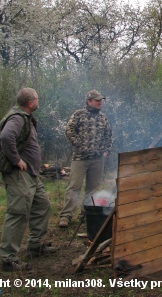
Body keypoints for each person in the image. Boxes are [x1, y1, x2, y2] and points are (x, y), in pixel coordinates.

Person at [0, 88, 55, 272]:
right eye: (37, 99)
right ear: (30, 103)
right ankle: (8, 259)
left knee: (42, 205)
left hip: (31, 174)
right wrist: (16, 160)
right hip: (19, 175)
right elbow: (6, 137)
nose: (39, 101)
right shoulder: (17, 117)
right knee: (18, 213)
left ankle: (35, 245)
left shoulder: (26, 117)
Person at [59, 90, 113, 227]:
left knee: (93, 189)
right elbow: (69, 130)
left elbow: (109, 136)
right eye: (97, 100)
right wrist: (79, 144)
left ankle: (86, 213)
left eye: (101, 100)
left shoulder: (103, 118)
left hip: (97, 159)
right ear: (89, 101)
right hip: (80, 158)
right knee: (74, 187)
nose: (100, 102)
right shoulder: (79, 115)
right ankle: (66, 216)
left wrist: (106, 151)